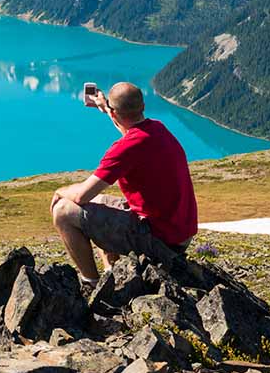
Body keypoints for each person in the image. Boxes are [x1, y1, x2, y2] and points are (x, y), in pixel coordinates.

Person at [50, 82, 197, 287]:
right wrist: (106, 107)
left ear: (115, 113)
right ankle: (113, 271)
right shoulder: (157, 128)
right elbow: (130, 131)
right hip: (178, 232)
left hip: (161, 241)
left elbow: (81, 196)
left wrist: (59, 191)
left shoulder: (124, 149)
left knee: (63, 211)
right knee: (100, 203)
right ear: (143, 106)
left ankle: (91, 283)